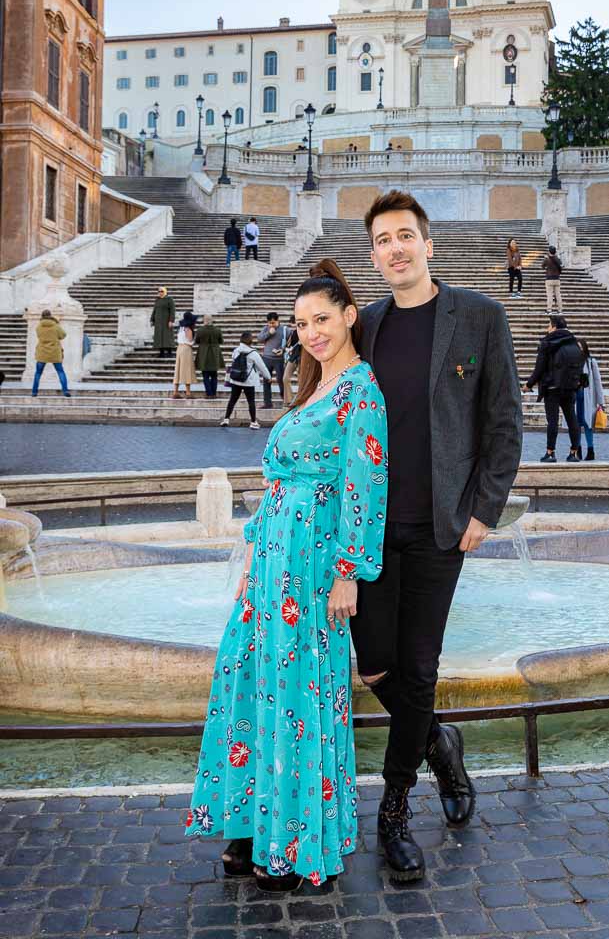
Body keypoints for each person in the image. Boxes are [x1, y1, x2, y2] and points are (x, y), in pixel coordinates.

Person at [186, 260, 387, 892]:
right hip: (272, 562)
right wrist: (251, 553)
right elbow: (276, 485)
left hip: (312, 565)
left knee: (299, 697)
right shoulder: (309, 390)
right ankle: (251, 824)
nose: (310, 332)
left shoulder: (362, 393)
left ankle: (298, 844)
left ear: (349, 316)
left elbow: (366, 486)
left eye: (321, 319)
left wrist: (350, 572)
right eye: (300, 323)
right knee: (249, 682)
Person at [351, 190, 522, 883]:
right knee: (375, 666)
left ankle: (393, 815)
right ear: (373, 254)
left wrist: (485, 510)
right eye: (383, 240)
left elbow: (504, 422)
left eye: (405, 236)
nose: (395, 248)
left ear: (429, 243)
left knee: (418, 667)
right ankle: (440, 745)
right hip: (368, 529)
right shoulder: (365, 325)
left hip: (442, 526)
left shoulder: (480, 316)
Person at [524, 314, 584, 463]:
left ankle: (550, 453)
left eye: (549, 325)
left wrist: (529, 385)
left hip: (552, 387)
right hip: (570, 387)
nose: (547, 328)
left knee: (552, 421)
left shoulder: (548, 343)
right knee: (572, 419)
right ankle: (574, 453)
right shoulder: (575, 343)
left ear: (554, 327)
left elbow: (539, 368)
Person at [220, 331, 270, 428]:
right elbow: (262, 367)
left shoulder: (236, 350)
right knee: (251, 401)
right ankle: (253, 422)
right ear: (250, 340)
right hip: (248, 381)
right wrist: (268, 377)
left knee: (232, 400)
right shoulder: (253, 353)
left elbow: (234, 360)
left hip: (236, 380)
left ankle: (226, 419)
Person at [575, 338, 605, 461]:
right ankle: (577, 449)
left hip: (588, 399)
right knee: (576, 425)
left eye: (580, 347)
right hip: (576, 398)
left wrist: (601, 402)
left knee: (588, 425)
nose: (578, 349)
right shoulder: (571, 362)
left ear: (585, 348)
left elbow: (598, 382)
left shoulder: (591, 362)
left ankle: (590, 450)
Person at [31, 309, 71, 397]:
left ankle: (34, 392)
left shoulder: (39, 327)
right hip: (55, 352)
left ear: (42, 316)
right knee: (60, 371)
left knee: (38, 373)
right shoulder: (55, 326)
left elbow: (39, 336)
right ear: (50, 315)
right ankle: (65, 391)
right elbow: (63, 335)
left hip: (42, 352)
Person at [258, 311, 291, 409]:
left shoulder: (285, 330)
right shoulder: (266, 329)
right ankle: (267, 403)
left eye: (273, 323)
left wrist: (283, 350)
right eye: (269, 323)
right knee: (266, 380)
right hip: (267, 358)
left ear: (278, 320)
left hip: (279, 359)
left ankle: (284, 398)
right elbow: (259, 338)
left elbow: (291, 342)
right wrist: (269, 333)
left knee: (281, 380)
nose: (271, 325)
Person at [195, 315, 225, 398]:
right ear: (212, 320)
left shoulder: (200, 330)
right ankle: (214, 393)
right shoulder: (217, 330)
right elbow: (221, 341)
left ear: (204, 321)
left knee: (205, 375)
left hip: (203, 353)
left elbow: (197, 341)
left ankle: (209, 393)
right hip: (215, 353)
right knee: (214, 375)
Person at [172, 312, 196, 399]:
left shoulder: (181, 328)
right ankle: (188, 392)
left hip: (179, 348)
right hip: (186, 349)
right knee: (187, 370)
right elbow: (190, 340)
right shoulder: (188, 329)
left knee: (178, 370)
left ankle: (175, 391)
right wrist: (194, 340)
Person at [150, 287, 175, 357]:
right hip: (158, 322)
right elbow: (154, 310)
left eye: (162, 291)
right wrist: (152, 319)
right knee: (159, 337)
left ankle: (170, 353)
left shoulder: (169, 300)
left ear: (165, 292)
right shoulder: (157, 300)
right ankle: (162, 352)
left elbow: (172, 311)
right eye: (159, 291)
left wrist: (171, 320)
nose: (160, 293)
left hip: (166, 321)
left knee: (167, 337)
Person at [282, 314, 300, 403]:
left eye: (294, 324)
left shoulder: (305, 331)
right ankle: (288, 401)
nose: (292, 326)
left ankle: (301, 399)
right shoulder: (292, 333)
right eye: (291, 324)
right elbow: (289, 345)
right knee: (285, 378)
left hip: (303, 358)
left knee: (302, 380)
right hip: (293, 357)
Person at [542, 245, 563, 313]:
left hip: (549, 278)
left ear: (549, 251)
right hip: (557, 278)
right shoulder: (557, 258)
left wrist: (545, 258)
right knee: (558, 295)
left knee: (550, 295)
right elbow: (561, 265)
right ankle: (560, 310)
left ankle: (549, 309)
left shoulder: (547, 259)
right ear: (555, 251)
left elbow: (542, 266)